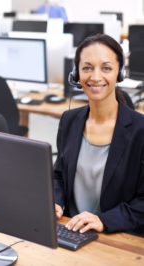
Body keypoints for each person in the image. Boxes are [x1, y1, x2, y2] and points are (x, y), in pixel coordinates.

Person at [54, 34, 144, 236]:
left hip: (116, 237)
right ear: (76, 74)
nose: (95, 77)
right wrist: (56, 201)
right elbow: (58, 175)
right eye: (87, 68)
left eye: (106, 68)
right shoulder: (69, 120)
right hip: (70, 231)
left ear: (119, 73)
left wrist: (104, 220)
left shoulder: (140, 130)